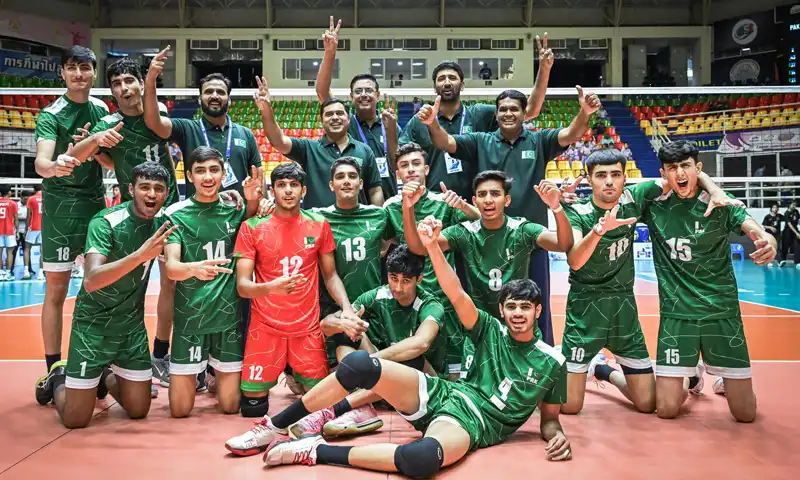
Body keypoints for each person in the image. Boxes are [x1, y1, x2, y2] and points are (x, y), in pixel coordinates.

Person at [226, 219, 571, 474]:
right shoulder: (489, 328)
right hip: (443, 392)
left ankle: (313, 450)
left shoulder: (553, 362)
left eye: (525, 308)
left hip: (472, 424)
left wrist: (557, 436)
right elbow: (457, 292)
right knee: (359, 364)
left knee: (420, 460)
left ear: (538, 311)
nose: (517, 314)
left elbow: (550, 420)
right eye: (511, 306)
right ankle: (274, 426)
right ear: (502, 309)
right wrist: (433, 245)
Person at [420, 88, 600, 346]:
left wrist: (585, 112)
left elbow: (572, 133)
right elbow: (445, 142)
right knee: (483, 309)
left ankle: (539, 361)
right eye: (503, 109)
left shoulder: (538, 141)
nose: (508, 113)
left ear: (524, 113)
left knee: (535, 308)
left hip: (532, 243)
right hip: (487, 243)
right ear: (496, 113)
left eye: (514, 108)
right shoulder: (481, 140)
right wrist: (431, 123)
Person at [143, 47, 262, 385]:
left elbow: (257, 179)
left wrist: (257, 200)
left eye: (220, 92)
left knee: (233, 289)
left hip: (233, 222)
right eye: (208, 91)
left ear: (229, 98)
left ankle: (219, 362)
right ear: (199, 97)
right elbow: (154, 121)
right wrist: (152, 80)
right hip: (194, 220)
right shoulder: (188, 127)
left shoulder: (245, 135)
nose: (214, 96)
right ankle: (162, 354)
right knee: (176, 284)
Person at [68, 57, 182, 392]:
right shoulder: (108, 122)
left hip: (169, 207)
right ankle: (121, 360)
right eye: (116, 83)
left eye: (130, 80)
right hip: (132, 213)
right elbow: (90, 155)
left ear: (141, 82)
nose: (124, 88)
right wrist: (93, 144)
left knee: (173, 283)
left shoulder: (155, 112)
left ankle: (161, 354)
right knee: (133, 282)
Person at [35, 162, 177, 427]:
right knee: (76, 420)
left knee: (139, 409)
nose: (151, 194)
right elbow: (91, 280)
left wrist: (236, 199)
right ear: (131, 189)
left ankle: (103, 375)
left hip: (131, 328)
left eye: (158, 189)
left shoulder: (166, 222)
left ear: (166, 193)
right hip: (93, 326)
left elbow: (199, 211)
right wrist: (140, 256)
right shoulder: (106, 222)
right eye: (144, 187)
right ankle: (57, 378)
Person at [645, 141, 776, 422]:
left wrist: (768, 243)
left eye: (686, 166)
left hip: (722, 311)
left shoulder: (720, 203)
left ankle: (724, 382)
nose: (680, 173)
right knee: (666, 410)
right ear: (664, 173)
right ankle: (692, 377)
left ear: (698, 168)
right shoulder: (654, 207)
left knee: (745, 415)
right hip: (677, 316)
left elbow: (757, 231)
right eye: (672, 168)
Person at [404, 170, 573, 378]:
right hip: (480, 330)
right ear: (474, 200)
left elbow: (563, 244)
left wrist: (556, 207)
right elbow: (419, 249)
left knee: (556, 406)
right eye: (482, 195)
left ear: (507, 200)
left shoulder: (522, 229)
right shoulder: (464, 232)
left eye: (495, 193)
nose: (488, 200)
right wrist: (408, 208)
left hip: (519, 327)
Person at [232, 162, 360, 418]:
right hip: (265, 330)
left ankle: (294, 376)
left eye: (294, 185)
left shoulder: (319, 224)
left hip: (306, 330)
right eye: (281, 185)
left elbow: (330, 274)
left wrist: (346, 308)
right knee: (251, 409)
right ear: (272, 190)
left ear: (304, 191)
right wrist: (272, 288)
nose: (288, 191)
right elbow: (243, 287)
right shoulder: (253, 227)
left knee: (320, 407)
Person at [285, 244, 447, 441]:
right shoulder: (377, 295)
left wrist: (367, 364)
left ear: (419, 279)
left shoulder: (431, 305)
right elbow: (326, 326)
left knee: (411, 358)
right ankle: (362, 407)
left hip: (417, 384)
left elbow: (420, 343)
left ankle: (332, 411)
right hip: (378, 383)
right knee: (346, 333)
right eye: (393, 279)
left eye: (406, 281)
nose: (397, 287)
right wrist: (343, 324)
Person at [33, 46, 110, 401]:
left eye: (85, 68)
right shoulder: (51, 114)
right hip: (60, 210)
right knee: (57, 290)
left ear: (94, 73)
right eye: (72, 68)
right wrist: (56, 165)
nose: (79, 74)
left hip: (95, 206)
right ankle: (54, 367)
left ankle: (100, 362)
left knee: (99, 287)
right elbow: (42, 163)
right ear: (63, 73)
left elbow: (109, 163)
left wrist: (94, 149)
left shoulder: (101, 111)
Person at [162, 146, 264, 418]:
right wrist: (192, 268)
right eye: (200, 171)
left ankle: (213, 376)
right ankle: (204, 376)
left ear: (223, 173)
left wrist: (254, 199)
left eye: (213, 170)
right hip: (190, 319)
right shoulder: (176, 213)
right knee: (180, 411)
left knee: (231, 407)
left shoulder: (234, 208)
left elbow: (252, 222)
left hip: (228, 319)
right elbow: (171, 269)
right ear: (190, 176)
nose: (208, 177)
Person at [399, 45, 552, 201]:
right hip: (436, 203)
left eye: (452, 78)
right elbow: (399, 158)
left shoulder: (480, 114)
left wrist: (544, 70)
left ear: (462, 85)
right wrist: (391, 128)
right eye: (441, 79)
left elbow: (531, 111)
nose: (446, 82)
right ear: (434, 87)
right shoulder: (419, 121)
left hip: (478, 204)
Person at [384, 142, 480, 380]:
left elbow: (478, 220)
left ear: (426, 169)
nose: (411, 170)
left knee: (453, 363)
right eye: (404, 166)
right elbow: (383, 245)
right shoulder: (390, 207)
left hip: (443, 292)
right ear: (398, 173)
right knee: (416, 357)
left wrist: (463, 205)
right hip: (407, 295)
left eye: (416, 164)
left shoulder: (442, 202)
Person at [254, 76, 384, 208]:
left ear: (348, 119)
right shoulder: (309, 148)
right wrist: (266, 110)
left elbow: (375, 190)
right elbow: (279, 141)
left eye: (339, 113)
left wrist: (378, 220)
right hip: (317, 225)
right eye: (329, 114)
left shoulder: (364, 150)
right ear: (321, 121)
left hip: (355, 225)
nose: (335, 118)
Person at [315, 17, 400, 201]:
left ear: (378, 95)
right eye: (358, 91)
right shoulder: (345, 122)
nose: (363, 94)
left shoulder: (390, 124)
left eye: (369, 90)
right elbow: (322, 91)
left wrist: (391, 130)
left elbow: (396, 164)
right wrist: (330, 52)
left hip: (390, 199)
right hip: (356, 201)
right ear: (351, 97)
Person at [23, 184, 44, 280]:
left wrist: (26, 229)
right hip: (44, 228)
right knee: (42, 251)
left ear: (34, 190)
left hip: (33, 227)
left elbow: (29, 215)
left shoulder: (31, 199)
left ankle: (26, 271)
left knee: (27, 249)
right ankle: (40, 273)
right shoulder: (47, 198)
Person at [0, 186, 18, 281]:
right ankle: (7, 273)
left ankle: (0, 273)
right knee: (9, 253)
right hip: (9, 231)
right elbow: (16, 219)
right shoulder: (13, 203)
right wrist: (18, 231)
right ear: (9, 192)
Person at [778, 200, 799, 267]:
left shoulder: (796, 211)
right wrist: (796, 233)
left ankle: (797, 262)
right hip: (788, 231)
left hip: (795, 231)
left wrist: (797, 232)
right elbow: (789, 224)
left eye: (795, 205)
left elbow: (798, 221)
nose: (794, 206)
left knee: (797, 246)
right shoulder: (786, 213)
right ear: (789, 205)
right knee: (785, 246)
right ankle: (781, 261)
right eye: (793, 204)